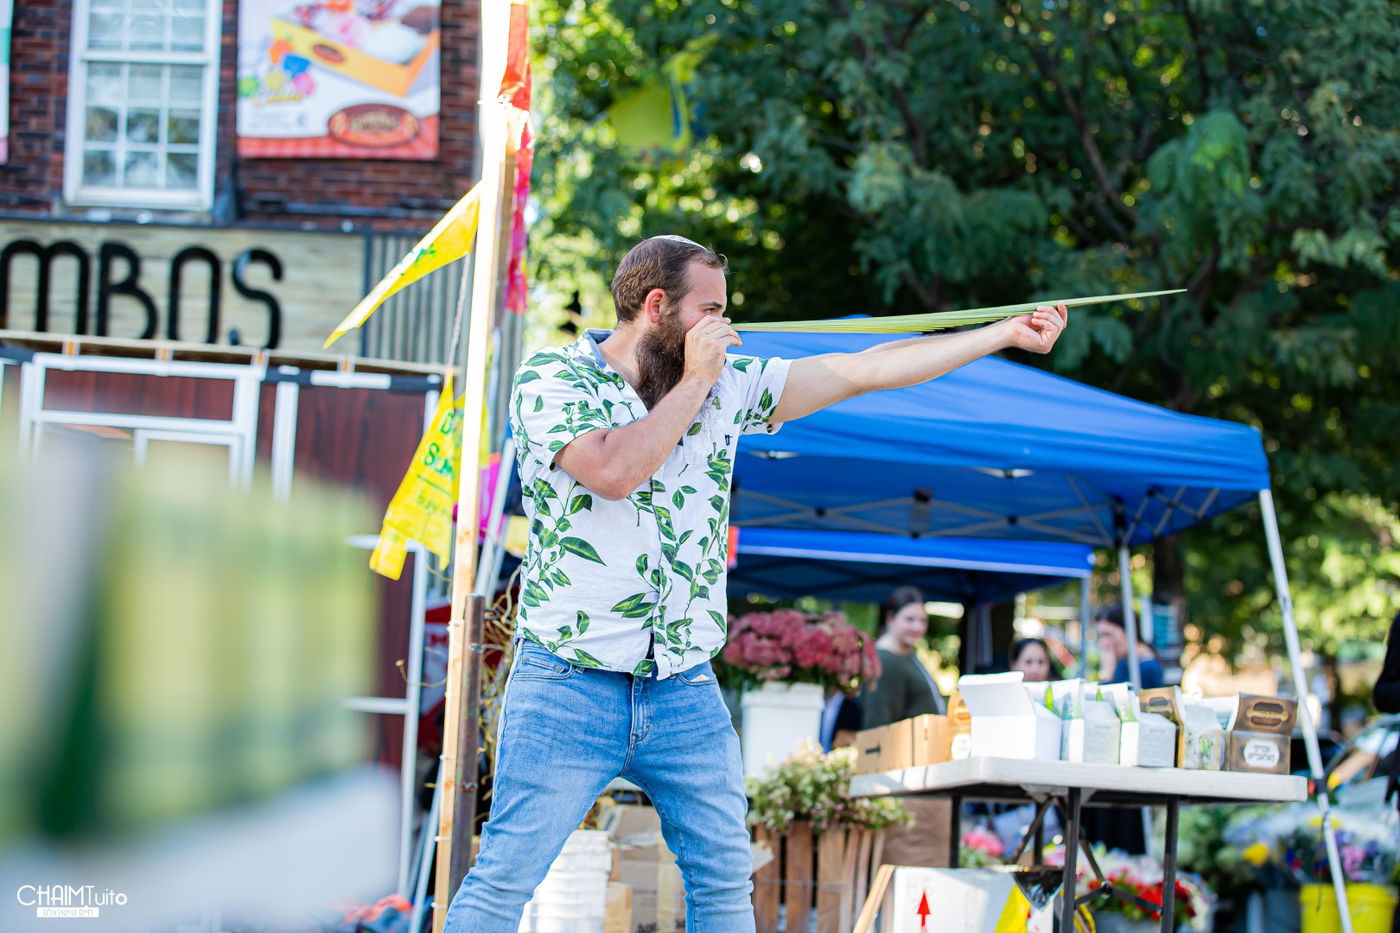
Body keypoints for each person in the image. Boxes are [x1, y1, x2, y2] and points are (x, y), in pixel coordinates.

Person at [443, 235, 1068, 932]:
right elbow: (615, 471)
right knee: (503, 882)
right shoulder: (554, 378)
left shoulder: (727, 385)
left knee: (724, 887)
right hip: (568, 683)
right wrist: (696, 382)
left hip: (682, 688)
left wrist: (1000, 335)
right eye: (709, 311)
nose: (724, 327)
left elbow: (865, 368)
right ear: (658, 306)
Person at [860, 586, 946, 728]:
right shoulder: (884, 661)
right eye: (909, 619)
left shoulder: (907, 654)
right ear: (890, 618)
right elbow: (877, 724)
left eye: (923, 620)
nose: (917, 627)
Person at [1096, 603, 1164, 690]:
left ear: (1130, 632)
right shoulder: (1123, 662)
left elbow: (1117, 701)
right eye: (1100, 636)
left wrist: (1107, 675)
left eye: (1108, 634)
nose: (1103, 643)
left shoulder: (1147, 666)